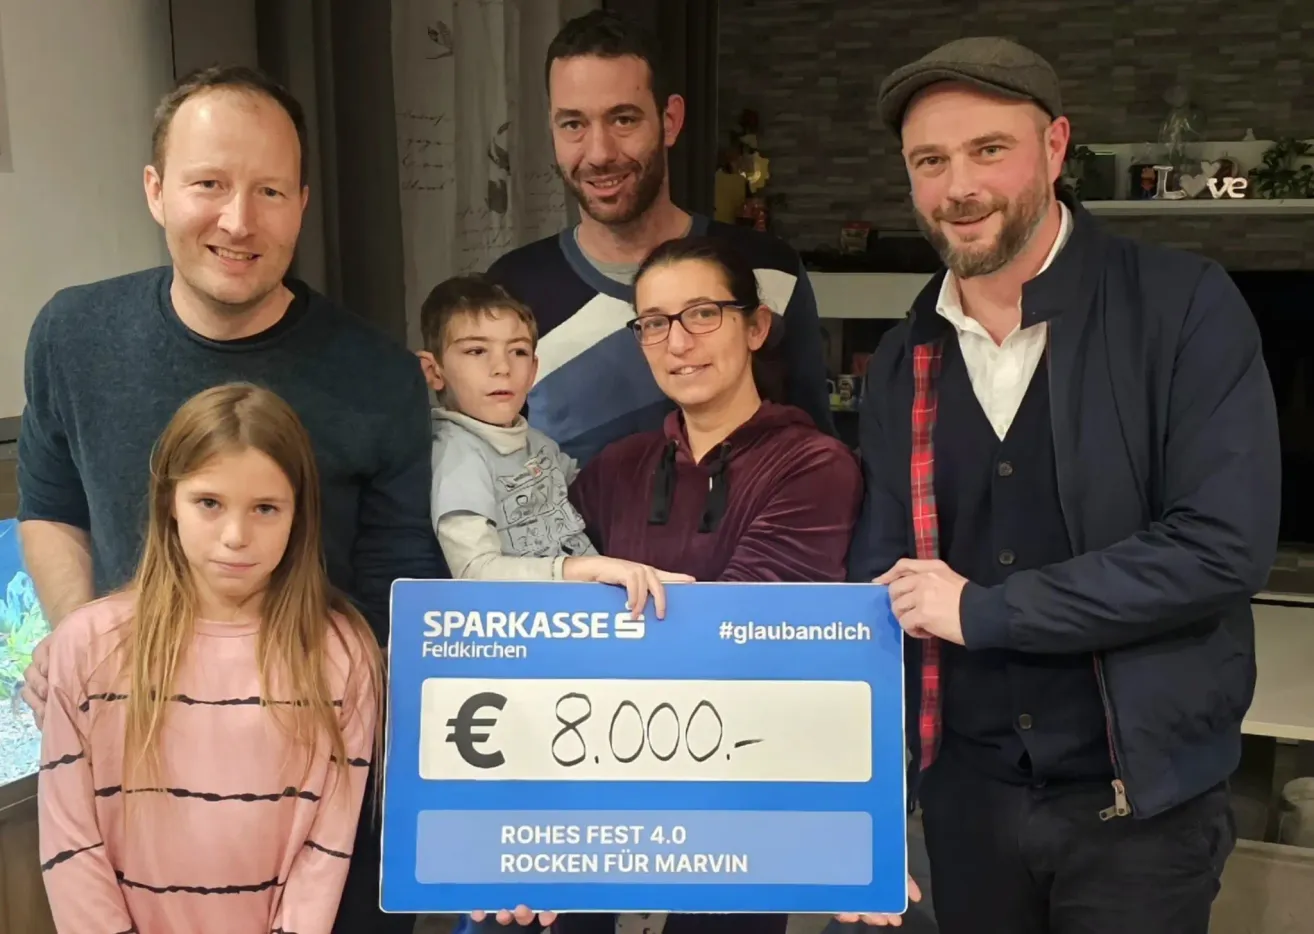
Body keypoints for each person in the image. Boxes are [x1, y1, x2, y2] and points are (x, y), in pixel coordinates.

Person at [847, 37, 1281, 934]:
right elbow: (878, 585)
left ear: (1054, 148)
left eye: (988, 150)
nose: (957, 186)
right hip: (967, 804)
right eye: (930, 161)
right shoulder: (905, 357)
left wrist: (987, 611)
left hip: (1142, 813)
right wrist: (863, 809)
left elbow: (1221, 546)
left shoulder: (1184, 305)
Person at [17, 64, 440, 934]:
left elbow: (401, 599)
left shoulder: (380, 376)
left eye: (271, 190)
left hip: (311, 812)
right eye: (208, 184)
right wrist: (86, 661)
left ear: (303, 202)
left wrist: (478, 832)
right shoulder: (72, 335)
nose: (238, 221)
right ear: (155, 189)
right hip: (138, 807)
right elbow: (52, 507)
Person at [475, 235, 883, 934]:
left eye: (702, 314)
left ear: (755, 327)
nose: (678, 341)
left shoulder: (816, 467)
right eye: (655, 323)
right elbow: (544, 627)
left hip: (746, 803)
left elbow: (739, 640)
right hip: (597, 798)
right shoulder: (612, 469)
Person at [37, 383, 381, 934]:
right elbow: (69, 842)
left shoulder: (343, 652)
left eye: (266, 508)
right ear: (169, 503)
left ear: (299, 515)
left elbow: (327, 848)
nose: (236, 536)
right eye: (209, 503)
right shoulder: (89, 644)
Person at [485, 10, 833, 466]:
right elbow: (489, 468)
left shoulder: (770, 272)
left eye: (623, 119)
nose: (599, 153)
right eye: (573, 124)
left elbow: (819, 456)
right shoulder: (512, 290)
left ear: (670, 120)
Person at [417, 273, 691, 613]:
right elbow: (475, 571)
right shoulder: (456, 453)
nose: (501, 367)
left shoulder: (538, 442)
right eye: (476, 350)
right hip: (519, 634)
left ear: (533, 369)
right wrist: (585, 570)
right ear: (433, 370)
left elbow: (597, 504)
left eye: (517, 351)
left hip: (581, 614)